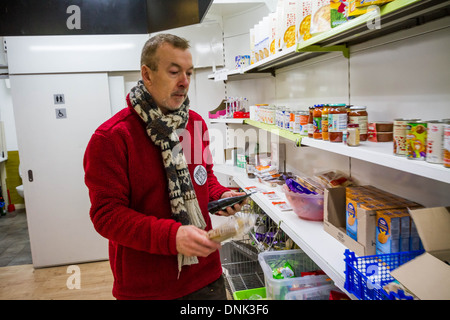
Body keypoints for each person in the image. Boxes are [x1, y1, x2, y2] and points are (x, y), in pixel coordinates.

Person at [83, 33, 244, 300]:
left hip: (206, 276)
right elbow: (106, 215)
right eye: (174, 72)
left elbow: (204, 179)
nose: (184, 82)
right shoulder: (112, 137)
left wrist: (221, 196)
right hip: (147, 287)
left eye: (189, 73)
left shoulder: (194, 124)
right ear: (147, 74)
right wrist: (172, 236)